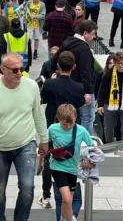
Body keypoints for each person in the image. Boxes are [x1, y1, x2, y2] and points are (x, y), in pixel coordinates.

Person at [0, 53, 49, 221]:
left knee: (27, 187)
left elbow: (38, 115)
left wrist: (44, 140)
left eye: (22, 69)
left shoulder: (31, 86)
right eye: (15, 69)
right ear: (2, 69)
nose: (19, 73)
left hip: (26, 144)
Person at [38, 51, 85, 210]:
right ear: (74, 67)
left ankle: (46, 196)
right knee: (70, 158)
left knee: (48, 159)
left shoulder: (50, 84)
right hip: (72, 130)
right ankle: (69, 190)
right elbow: (81, 104)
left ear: (58, 65)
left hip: (52, 126)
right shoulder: (79, 87)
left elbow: (42, 98)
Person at [41, 104, 94, 221]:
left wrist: (89, 161)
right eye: (65, 124)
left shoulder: (81, 130)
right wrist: (41, 160)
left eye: (71, 123)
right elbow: (44, 144)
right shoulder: (53, 129)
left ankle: (63, 218)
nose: (68, 126)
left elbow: (91, 147)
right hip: (57, 167)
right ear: (58, 119)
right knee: (67, 199)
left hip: (73, 169)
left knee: (68, 201)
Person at [53, 20, 98, 134]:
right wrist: (88, 92)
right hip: (83, 89)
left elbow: (53, 61)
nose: (94, 37)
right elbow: (86, 71)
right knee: (87, 118)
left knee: (71, 117)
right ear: (85, 33)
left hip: (67, 86)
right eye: (93, 34)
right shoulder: (84, 49)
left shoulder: (67, 43)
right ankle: (85, 143)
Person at [97, 51, 123, 143]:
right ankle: (110, 147)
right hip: (110, 104)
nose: (120, 65)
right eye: (118, 63)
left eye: (122, 63)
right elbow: (102, 90)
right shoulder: (108, 74)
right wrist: (100, 105)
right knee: (108, 129)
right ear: (115, 63)